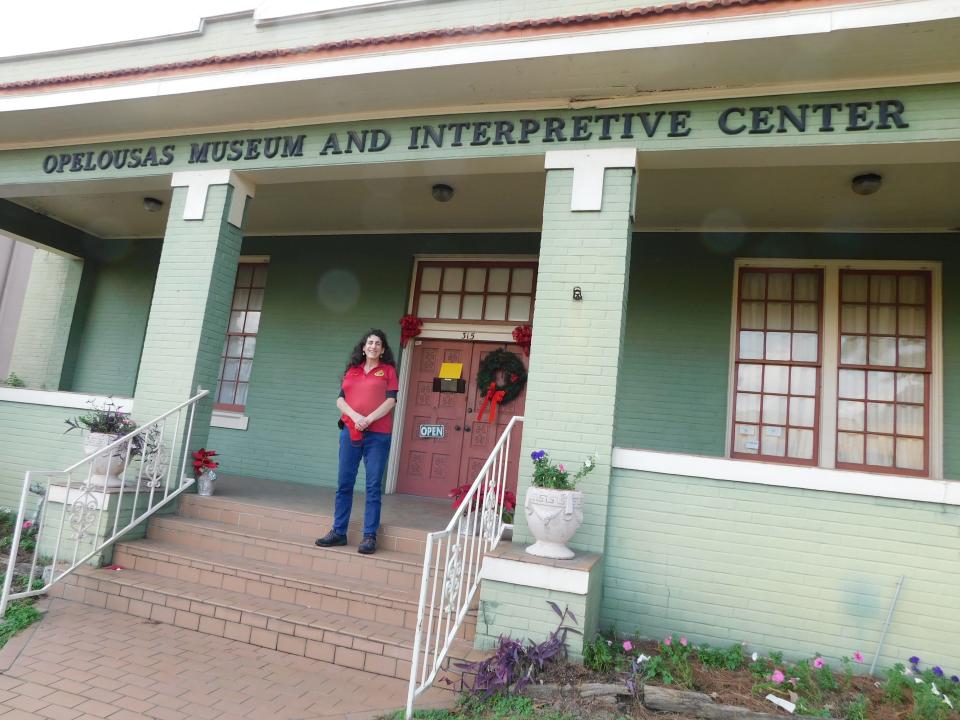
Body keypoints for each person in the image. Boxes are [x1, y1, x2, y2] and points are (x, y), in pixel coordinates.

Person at [316, 329, 398, 555]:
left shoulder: (388, 371)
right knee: (344, 484)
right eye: (369, 342)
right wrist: (356, 418)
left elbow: (391, 401)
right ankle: (338, 532)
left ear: (382, 350)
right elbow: (340, 400)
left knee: (372, 487)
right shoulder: (351, 371)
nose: (373, 346)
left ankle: (369, 536)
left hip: (377, 435)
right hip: (350, 432)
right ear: (363, 347)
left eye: (378, 343)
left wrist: (368, 419)